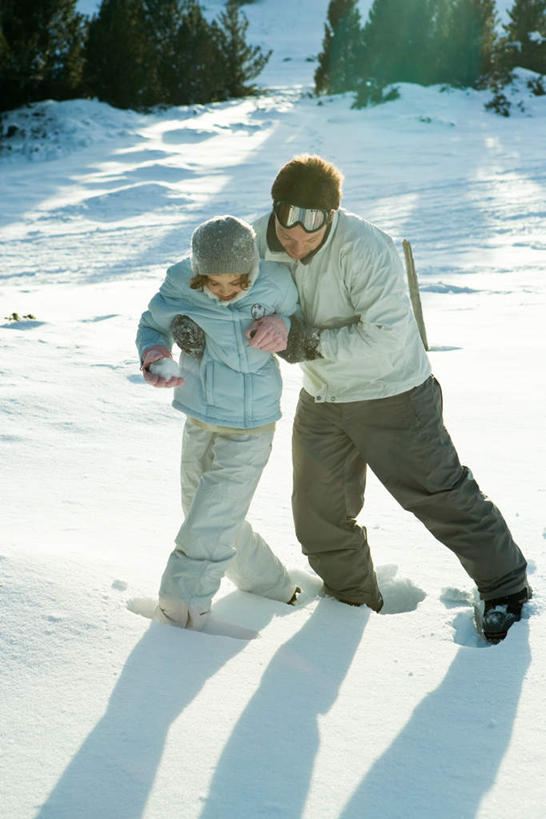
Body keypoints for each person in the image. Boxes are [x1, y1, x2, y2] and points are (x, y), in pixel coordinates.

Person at [245, 154, 530, 643]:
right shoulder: (256, 239)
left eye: (309, 231)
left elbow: (387, 339)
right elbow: (217, 287)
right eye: (286, 228)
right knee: (317, 512)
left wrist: (299, 340)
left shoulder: (366, 248)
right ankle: (352, 603)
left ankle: (505, 589)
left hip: (393, 392)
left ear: (330, 216)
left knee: (438, 495)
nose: (294, 242)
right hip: (323, 395)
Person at [136, 215, 300, 629]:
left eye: (237, 283)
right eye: (214, 283)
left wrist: (284, 324)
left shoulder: (277, 283)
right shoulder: (179, 282)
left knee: (214, 512)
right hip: (200, 412)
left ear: (252, 270)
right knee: (202, 509)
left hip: (252, 422)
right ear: (197, 272)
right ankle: (273, 586)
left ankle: (181, 603)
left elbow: (304, 316)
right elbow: (152, 323)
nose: (226, 293)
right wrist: (156, 353)